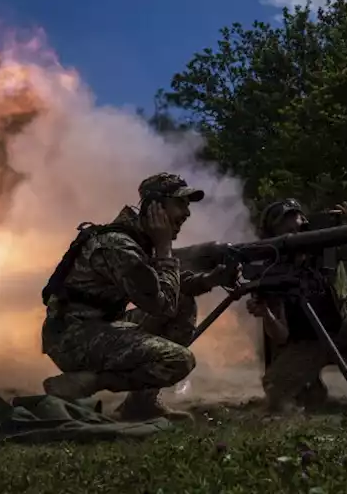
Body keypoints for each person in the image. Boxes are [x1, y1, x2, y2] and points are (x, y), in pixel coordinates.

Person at [39, 173, 237, 421]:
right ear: (155, 206)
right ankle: (87, 381)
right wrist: (165, 248)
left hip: (97, 326)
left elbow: (164, 287)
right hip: (72, 337)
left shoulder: (138, 241)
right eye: (180, 204)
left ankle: (141, 404)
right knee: (177, 360)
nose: (187, 213)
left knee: (183, 302)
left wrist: (209, 280)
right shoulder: (120, 246)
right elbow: (161, 304)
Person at [245, 198, 347, 414]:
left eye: (297, 221)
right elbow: (281, 335)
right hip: (308, 344)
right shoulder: (271, 271)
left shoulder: (329, 247)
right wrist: (266, 314)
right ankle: (311, 389)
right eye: (285, 225)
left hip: (345, 332)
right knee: (276, 393)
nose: (295, 227)